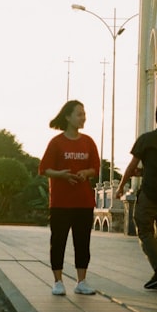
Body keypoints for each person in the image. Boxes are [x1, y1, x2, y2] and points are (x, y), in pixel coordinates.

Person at [114, 101, 157, 291]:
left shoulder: (146, 139)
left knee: (144, 228)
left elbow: (130, 165)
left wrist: (121, 186)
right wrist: (145, 171)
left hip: (150, 194)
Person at [39, 99, 100, 296]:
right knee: (58, 242)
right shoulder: (56, 142)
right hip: (61, 202)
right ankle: (58, 281)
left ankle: (81, 282)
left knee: (82, 242)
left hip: (83, 202)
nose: (83, 117)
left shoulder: (88, 141)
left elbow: (95, 168)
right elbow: (44, 169)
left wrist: (85, 173)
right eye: (79, 114)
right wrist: (61, 175)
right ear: (68, 117)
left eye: (84, 114)